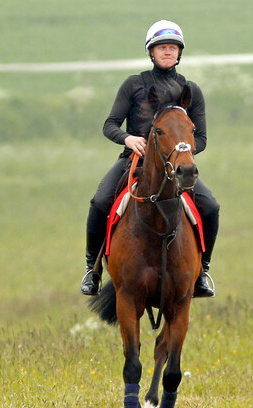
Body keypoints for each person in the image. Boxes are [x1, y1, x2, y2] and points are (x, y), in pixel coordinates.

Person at [80, 20, 219, 298]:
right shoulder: (134, 85)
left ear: (179, 53)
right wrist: (128, 139)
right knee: (100, 202)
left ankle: (202, 272)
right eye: (161, 48)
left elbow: (200, 138)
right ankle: (91, 271)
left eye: (172, 48)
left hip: (176, 167)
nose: (167, 52)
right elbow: (110, 124)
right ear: (151, 53)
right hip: (135, 160)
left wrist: (181, 153)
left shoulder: (191, 91)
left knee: (211, 207)